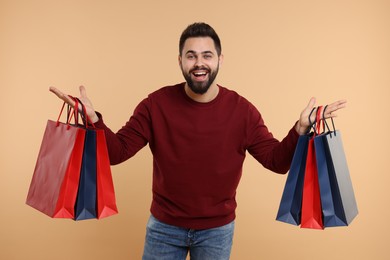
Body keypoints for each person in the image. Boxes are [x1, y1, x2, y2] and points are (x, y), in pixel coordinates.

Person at [50, 22, 346, 260]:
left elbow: (276, 161)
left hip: (217, 231)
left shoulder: (242, 111)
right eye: (191, 55)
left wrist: (301, 127)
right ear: (180, 61)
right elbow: (117, 153)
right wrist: (92, 119)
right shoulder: (156, 105)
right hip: (163, 228)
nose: (199, 63)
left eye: (207, 55)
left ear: (219, 59)